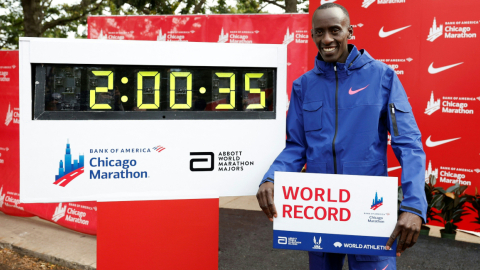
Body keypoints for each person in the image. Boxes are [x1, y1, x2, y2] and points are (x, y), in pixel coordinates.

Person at [256, 3, 427, 270]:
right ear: (312, 35)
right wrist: (271, 178)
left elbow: (409, 146)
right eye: (319, 32)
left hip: (370, 210)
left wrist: (414, 206)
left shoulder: (383, 77)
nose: (327, 39)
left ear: (350, 31)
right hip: (321, 210)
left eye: (335, 30)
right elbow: (296, 147)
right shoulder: (303, 86)